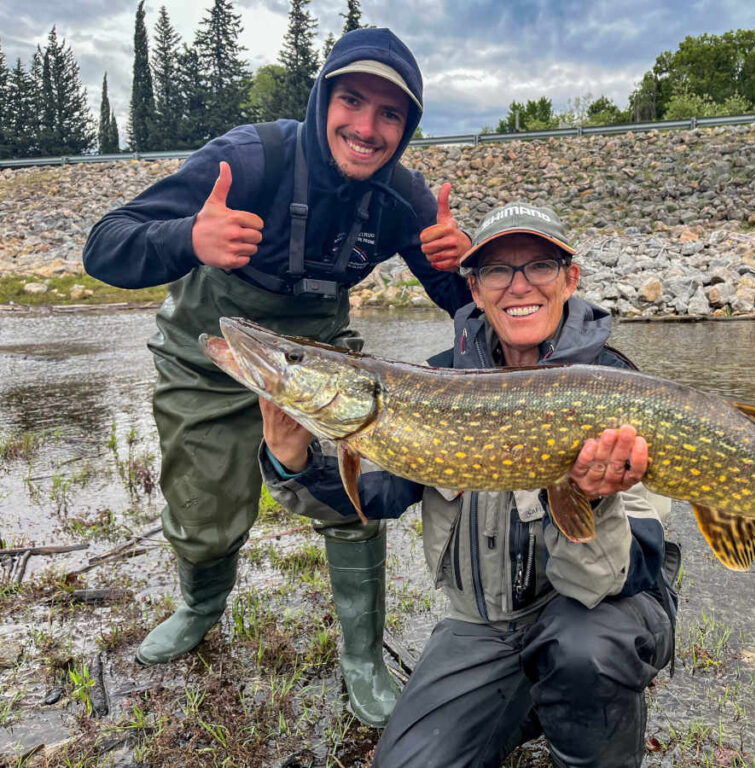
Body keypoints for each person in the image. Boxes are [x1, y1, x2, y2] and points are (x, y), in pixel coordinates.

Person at [82, 27, 471, 727]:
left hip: (321, 354)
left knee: (354, 494)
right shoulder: (249, 158)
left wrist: (463, 266)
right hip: (211, 351)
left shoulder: (402, 199)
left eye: (391, 115)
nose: (367, 127)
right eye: (353, 100)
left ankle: (361, 658)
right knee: (203, 517)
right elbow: (103, 245)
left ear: (407, 128)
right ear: (324, 98)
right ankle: (200, 604)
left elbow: (474, 313)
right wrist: (188, 240)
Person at [260, 201, 680, 767]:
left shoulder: (619, 391)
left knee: (586, 652)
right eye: (497, 271)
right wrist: (295, 461)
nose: (518, 285)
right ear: (475, 290)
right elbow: (374, 495)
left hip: (600, 610)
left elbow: (644, 564)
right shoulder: (434, 383)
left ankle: (584, 730)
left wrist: (592, 500)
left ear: (570, 279)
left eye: (539, 266)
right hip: (487, 626)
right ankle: (527, 699)